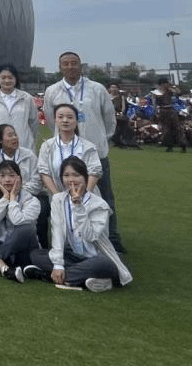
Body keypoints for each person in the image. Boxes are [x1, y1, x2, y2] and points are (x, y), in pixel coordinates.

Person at [43, 51, 125, 252]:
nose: (70, 67)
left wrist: (99, 140)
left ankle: (111, 238)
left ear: (81, 66)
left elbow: (109, 119)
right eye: (65, 64)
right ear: (60, 67)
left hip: (94, 153)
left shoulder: (96, 89)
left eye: (74, 63)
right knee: (67, 196)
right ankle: (72, 238)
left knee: (104, 197)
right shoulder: (52, 91)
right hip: (66, 156)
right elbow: (51, 120)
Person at [27, 156, 132, 292]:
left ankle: (49, 276)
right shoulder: (58, 200)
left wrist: (78, 207)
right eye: (66, 175)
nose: (71, 180)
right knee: (36, 255)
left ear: (85, 178)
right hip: (71, 255)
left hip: (94, 256)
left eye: (76, 175)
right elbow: (57, 234)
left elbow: (90, 236)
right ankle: (85, 280)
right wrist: (58, 265)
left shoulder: (99, 205)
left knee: (104, 263)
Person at [0, 63, 39, 153]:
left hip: (24, 145)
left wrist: (27, 137)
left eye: (10, 78)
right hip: (2, 146)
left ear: (16, 79)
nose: (7, 81)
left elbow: (33, 122)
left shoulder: (26, 98)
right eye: (3, 78)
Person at [0, 124, 39, 198]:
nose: (14, 138)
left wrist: (17, 192)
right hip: (2, 198)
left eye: (15, 135)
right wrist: (6, 194)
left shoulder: (29, 156)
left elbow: (36, 182)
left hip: (28, 197)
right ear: (0, 140)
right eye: (10, 135)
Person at [151, 77, 187, 153]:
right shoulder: (156, 92)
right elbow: (154, 104)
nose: (166, 85)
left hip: (171, 110)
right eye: (165, 83)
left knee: (177, 128)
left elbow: (179, 93)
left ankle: (182, 144)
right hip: (163, 111)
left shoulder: (169, 90)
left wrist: (173, 86)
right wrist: (156, 113)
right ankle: (169, 145)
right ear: (161, 84)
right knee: (166, 130)